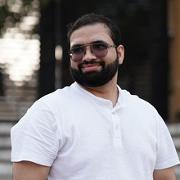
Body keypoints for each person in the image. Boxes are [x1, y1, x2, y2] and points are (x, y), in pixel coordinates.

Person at [11, 13, 179, 180]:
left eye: (99, 47)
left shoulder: (147, 114)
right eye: (78, 50)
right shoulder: (48, 112)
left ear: (120, 54)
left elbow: (165, 177)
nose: (88, 56)